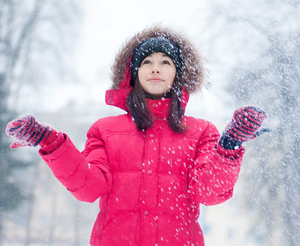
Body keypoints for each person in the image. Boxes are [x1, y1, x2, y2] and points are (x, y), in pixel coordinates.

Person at [5, 25, 269, 246]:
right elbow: (88, 188)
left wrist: (229, 145)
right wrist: (50, 142)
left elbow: (209, 193)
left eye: (165, 62)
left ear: (178, 74)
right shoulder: (105, 130)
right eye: (147, 62)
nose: (156, 68)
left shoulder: (200, 132)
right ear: (133, 74)